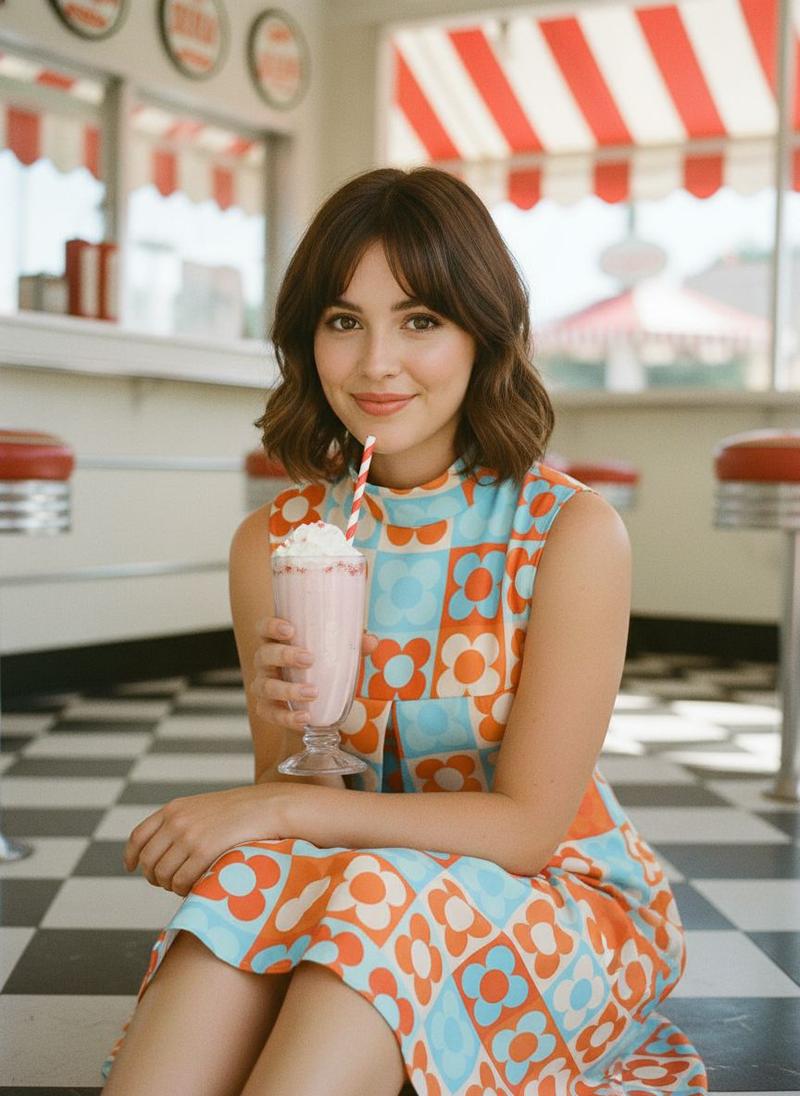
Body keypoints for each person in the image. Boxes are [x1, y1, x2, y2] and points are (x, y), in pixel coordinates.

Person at [101, 167, 707, 1095]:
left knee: (366, 897)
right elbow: (301, 798)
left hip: (554, 893)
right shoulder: (279, 543)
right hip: (358, 871)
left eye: (420, 320)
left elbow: (527, 831)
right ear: (310, 339)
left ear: (481, 333)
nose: (377, 361)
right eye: (344, 321)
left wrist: (277, 805)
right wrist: (296, 749)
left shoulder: (571, 534)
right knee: (245, 897)